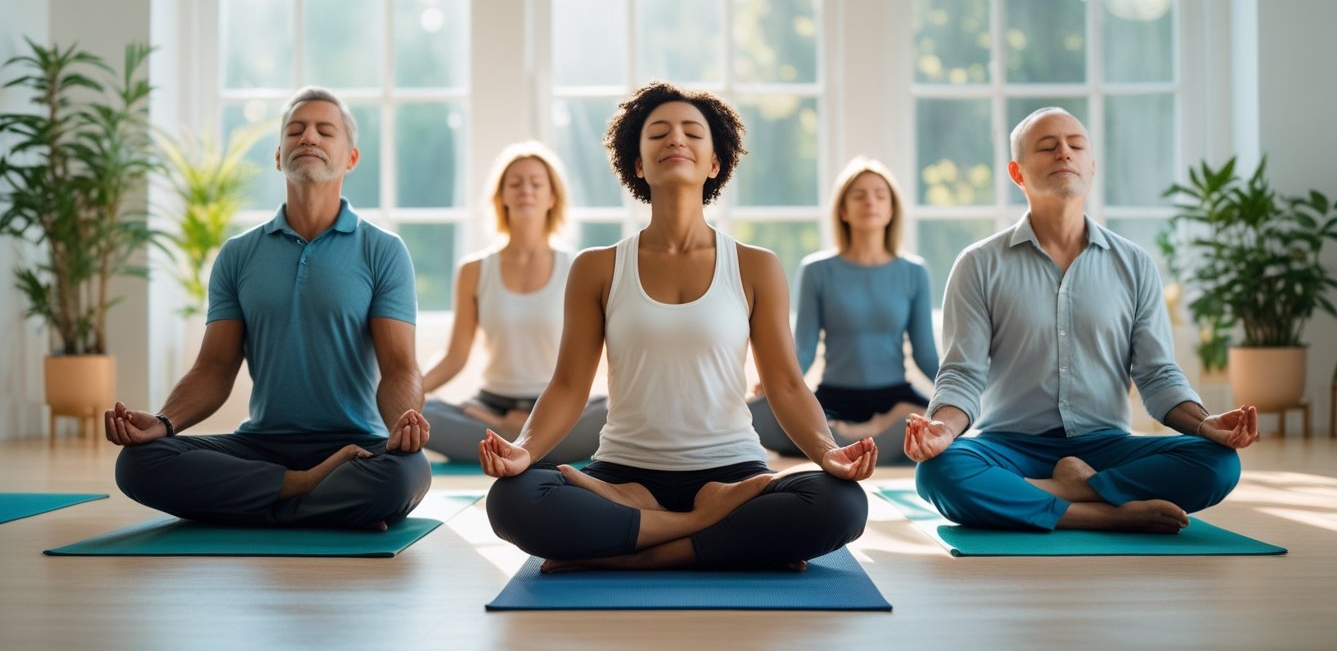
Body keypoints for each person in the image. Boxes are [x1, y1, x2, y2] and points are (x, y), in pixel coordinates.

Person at [480, 82, 876, 571]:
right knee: (512, 499)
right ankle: (704, 529)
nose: (676, 140)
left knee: (842, 503)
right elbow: (567, 385)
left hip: (733, 472)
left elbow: (788, 384)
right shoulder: (597, 267)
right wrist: (523, 451)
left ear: (715, 162)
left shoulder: (755, 265)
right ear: (638, 164)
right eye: (658, 133)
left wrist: (828, 452)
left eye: (693, 132)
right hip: (623, 473)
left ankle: (637, 552)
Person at [905, 106, 1258, 533]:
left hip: (1106, 446)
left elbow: (1158, 375)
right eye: (1048, 147)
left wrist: (1205, 424)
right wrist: (941, 431)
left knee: (1218, 462)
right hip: (1009, 445)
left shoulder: (1134, 264)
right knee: (940, 472)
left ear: (1092, 166)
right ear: (1017, 174)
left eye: (1076, 146)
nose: (1065, 155)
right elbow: (962, 374)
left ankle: (1055, 494)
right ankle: (1099, 512)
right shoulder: (978, 264)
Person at [106, 86, 431, 530]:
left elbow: (400, 367)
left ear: (350, 158)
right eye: (295, 130)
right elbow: (214, 369)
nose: (308, 138)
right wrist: (164, 423)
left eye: (324, 130)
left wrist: (403, 428)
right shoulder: (239, 255)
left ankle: (267, 499)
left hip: (354, 447)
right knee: (138, 463)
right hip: (262, 444)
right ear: (279, 156)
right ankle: (306, 489)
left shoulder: (383, 250)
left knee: (406, 475)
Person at [420, 143, 605, 464]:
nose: (526, 191)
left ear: (552, 198)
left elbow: (593, 357)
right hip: (489, 410)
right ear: (502, 195)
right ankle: (521, 443)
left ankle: (518, 442)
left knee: (611, 414)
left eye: (536, 183)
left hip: (557, 408)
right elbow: (455, 357)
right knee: (421, 413)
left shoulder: (577, 267)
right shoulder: (474, 270)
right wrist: (406, 395)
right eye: (515, 183)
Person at [749, 157, 937, 463]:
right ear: (843, 210)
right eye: (859, 195)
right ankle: (858, 438)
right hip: (832, 400)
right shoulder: (816, 270)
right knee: (750, 415)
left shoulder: (914, 271)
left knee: (938, 426)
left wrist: (956, 397)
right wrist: (772, 384)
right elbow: (805, 351)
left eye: (880, 195)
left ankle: (843, 440)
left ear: (891, 210)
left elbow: (925, 354)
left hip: (894, 400)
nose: (870, 202)